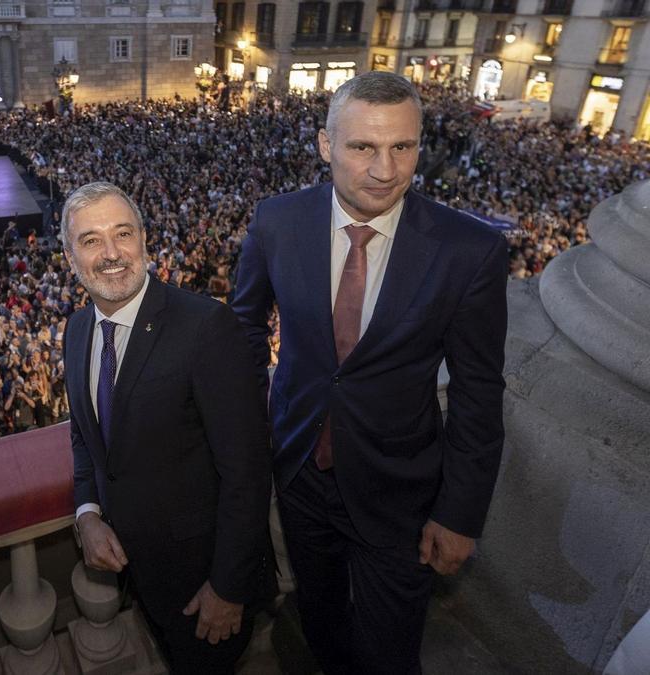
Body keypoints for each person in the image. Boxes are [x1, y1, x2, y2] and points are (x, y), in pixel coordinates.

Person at [231, 72, 508, 673]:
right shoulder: (276, 221)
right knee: (322, 619)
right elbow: (245, 330)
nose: (386, 168)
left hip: (400, 491)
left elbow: (478, 390)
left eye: (403, 147)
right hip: (301, 474)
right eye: (363, 147)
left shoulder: (469, 250)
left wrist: (459, 513)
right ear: (327, 145)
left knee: (391, 651)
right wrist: (262, 424)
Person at [63, 182, 275, 672]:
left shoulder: (205, 327)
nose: (112, 253)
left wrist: (228, 587)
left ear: (144, 239)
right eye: (91, 240)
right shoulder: (76, 332)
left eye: (123, 233)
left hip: (205, 584)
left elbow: (247, 472)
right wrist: (88, 513)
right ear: (70, 256)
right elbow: (83, 437)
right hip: (138, 572)